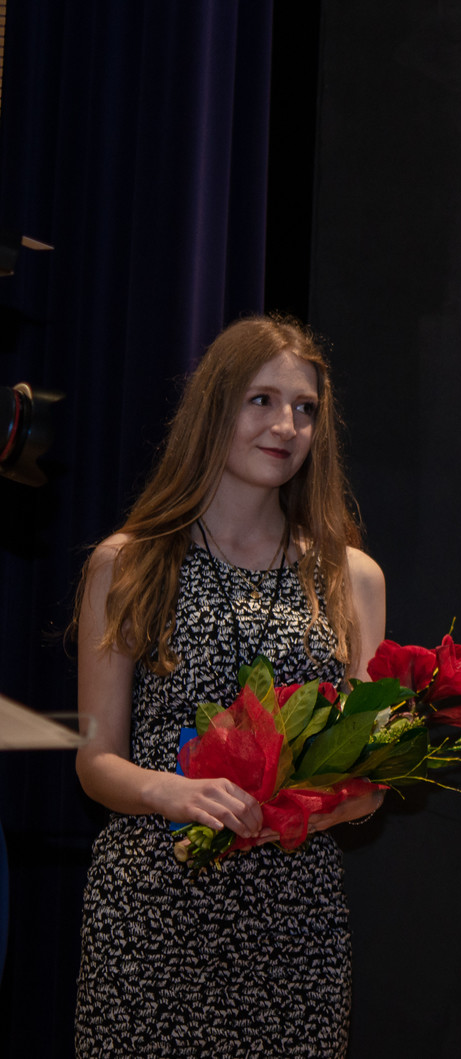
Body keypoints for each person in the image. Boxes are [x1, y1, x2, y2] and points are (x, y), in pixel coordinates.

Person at [71, 316, 387, 1058]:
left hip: (294, 925)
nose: (286, 426)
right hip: (150, 913)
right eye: (262, 400)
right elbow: (95, 760)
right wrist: (169, 792)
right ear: (215, 406)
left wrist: (311, 809)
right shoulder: (129, 563)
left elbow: (369, 781)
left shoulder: (351, 576)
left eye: (305, 408)